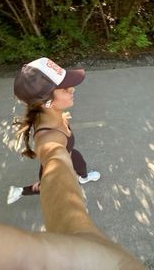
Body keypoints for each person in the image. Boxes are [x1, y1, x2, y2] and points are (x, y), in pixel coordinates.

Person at [0, 142, 145, 269]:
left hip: (61, 156)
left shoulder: (52, 117)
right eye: (65, 90)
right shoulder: (50, 122)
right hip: (63, 156)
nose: (71, 93)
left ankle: (25, 190)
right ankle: (25, 190)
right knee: (60, 179)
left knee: (55, 180)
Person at [7, 57, 100, 204]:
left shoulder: (47, 112)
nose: (72, 89)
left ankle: (83, 177)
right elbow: (51, 151)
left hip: (70, 152)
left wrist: (62, 117)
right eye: (65, 89)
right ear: (47, 102)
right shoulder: (50, 138)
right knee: (47, 186)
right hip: (63, 157)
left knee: (80, 162)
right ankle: (19, 191)